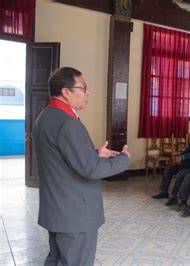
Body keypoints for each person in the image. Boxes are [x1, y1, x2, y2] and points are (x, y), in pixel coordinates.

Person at [33, 67, 131, 265]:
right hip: (75, 213)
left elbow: (61, 158)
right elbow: (92, 169)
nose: (88, 92)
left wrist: (95, 154)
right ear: (66, 91)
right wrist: (124, 158)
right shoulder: (68, 123)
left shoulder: (46, 117)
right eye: (83, 87)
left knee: (57, 259)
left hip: (57, 209)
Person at [152, 121, 190, 203]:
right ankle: (164, 192)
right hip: (188, 163)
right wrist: (179, 157)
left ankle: (174, 197)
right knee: (169, 169)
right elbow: (188, 150)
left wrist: (182, 157)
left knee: (181, 173)